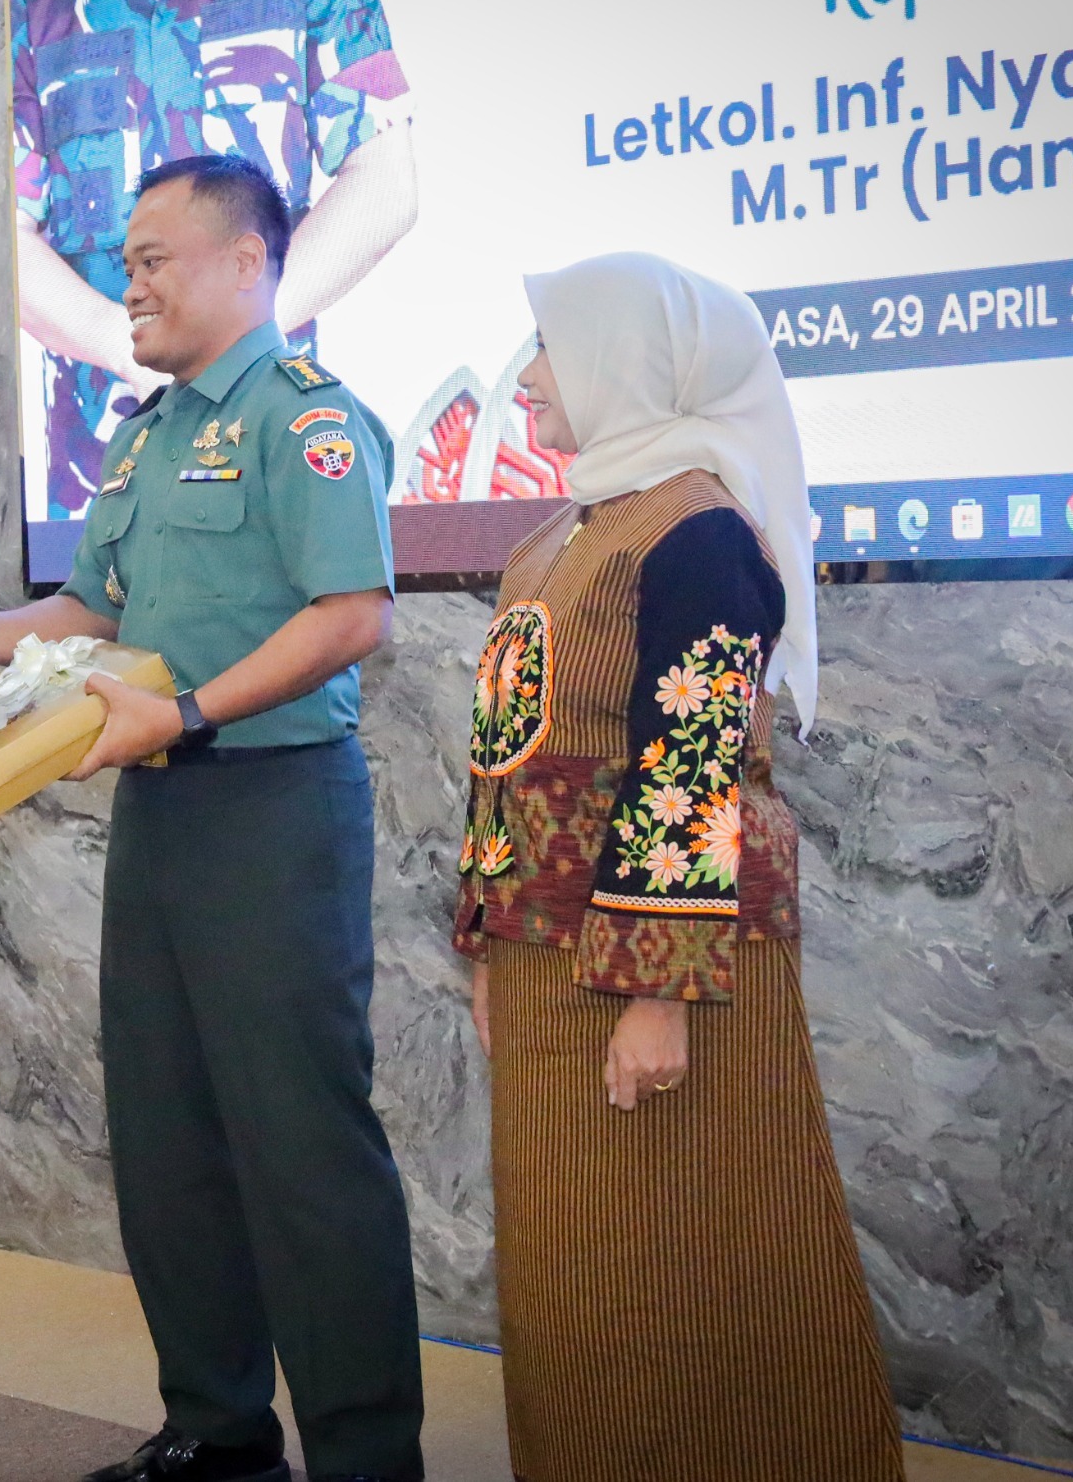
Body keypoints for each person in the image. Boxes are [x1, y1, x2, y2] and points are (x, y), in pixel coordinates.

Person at [0, 154, 425, 1482]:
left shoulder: (309, 419)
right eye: (123, 262)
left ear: (246, 262)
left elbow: (351, 615)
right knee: (169, 1136)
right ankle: (218, 1432)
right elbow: (96, 607)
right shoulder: (143, 432)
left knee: (302, 1146)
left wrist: (185, 711)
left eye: (152, 259)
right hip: (164, 809)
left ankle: (365, 1456)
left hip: (275, 810)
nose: (127, 283)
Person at [454, 253, 902, 1481]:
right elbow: (505, 754)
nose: (526, 379)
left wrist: (655, 991)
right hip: (547, 963)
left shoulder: (698, 531)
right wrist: (486, 943)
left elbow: (690, 764)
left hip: (665, 977)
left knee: (690, 1270)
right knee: (571, 1282)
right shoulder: (559, 533)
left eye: (548, 349)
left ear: (624, 362)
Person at [13, 0, 417, 518]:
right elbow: (2, 239)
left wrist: (240, 333)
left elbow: (387, 179)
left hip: (271, 461)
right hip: (105, 485)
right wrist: (132, 344)